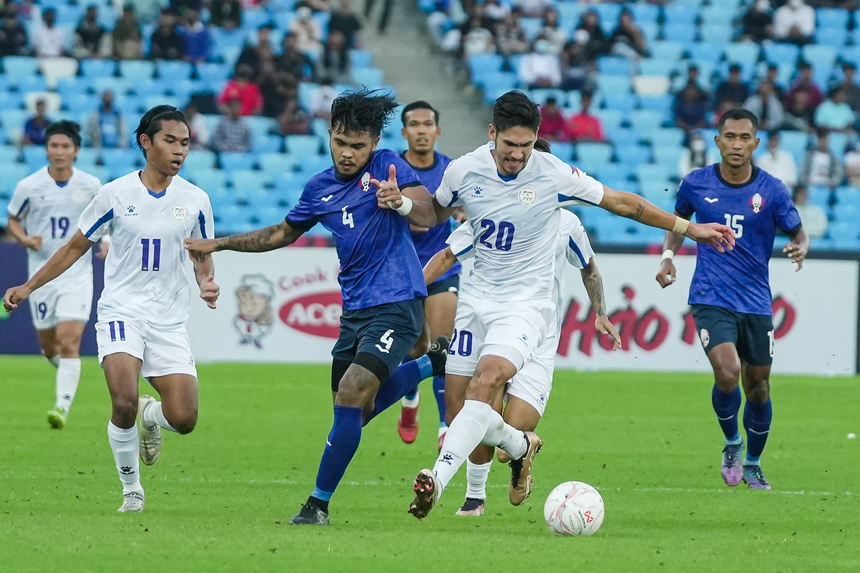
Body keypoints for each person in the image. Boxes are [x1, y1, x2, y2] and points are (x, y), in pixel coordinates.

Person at [407, 91, 735, 520]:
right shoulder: (463, 170)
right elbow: (434, 214)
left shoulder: (552, 175)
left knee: (485, 384)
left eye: (526, 145)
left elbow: (622, 203)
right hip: (475, 304)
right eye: (510, 145)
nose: (518, 154)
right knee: (462, 412)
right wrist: (404, 209)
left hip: (526, 307)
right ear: (492, 134)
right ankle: (520, 448)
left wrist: (689, 229)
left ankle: (440, 484)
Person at [184, 89, 449, 526]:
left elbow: (431, 215)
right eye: (340, 143)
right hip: (355, 310)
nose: (347, 153)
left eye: (357, 146)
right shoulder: (320, 188)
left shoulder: (387, 166)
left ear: (373, 143)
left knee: (351, 393)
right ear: (329, 135)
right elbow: (281, 234)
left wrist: (400, 201)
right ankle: (429, 365)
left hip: (398, 301)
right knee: (355, 412)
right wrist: (220, 243)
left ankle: (317, 505)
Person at [4, 106, 220, 513]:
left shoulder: (196, 199)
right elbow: (74, 247)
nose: (179, 150)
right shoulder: (115, 194)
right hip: (121, 311)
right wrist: (29, 286)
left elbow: (202, 254)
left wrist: (206, 282)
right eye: (170, 141)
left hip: (169, 319)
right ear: (146, 142)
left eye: (185, 143)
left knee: (185, 419)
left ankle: (151, 417)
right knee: (122, 401)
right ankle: (131, 491)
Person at [423, 146, 621, 515]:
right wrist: (411, 292)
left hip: (538, 335)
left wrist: (600, 312)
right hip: (496, 325)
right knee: (475, 405)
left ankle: (519, 448)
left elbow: (588, 266)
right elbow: (448, 255)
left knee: (503, 437)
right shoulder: (493, 212)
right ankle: (475, 496)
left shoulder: (567, 224)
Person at [656, 108, 809, 491]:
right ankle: (732, 443)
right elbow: (677, 224)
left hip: (755, 301)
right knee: (727, 372)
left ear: (755, 143)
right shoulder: (696, 183)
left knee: (758, 385)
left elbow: (799, 232)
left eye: (744, 138)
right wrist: (668, 256)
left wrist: (801, 247)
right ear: (718, 141)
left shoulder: (773, 190)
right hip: (710, 296)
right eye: (730, 136)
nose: (737, 144)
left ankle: (753, 463)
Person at [5, 122, 104, 429]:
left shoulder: (91, 185)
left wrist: (107, 241)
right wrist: (24, 238)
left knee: (69, 341)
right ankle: (69, 373)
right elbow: (12, 219)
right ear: (46, 149)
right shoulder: (29, 186)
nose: (59, 152)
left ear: (76, 150)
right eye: (54, 146)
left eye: (65, 146)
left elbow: (107, 220)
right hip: (40, 277)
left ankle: (62, 406)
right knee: (50, 348)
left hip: (77, 274)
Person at [395, 101, 458, 450]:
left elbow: (465, 204)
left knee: (441, 346)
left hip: (443, 266)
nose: (422, 130)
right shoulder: (392, 168)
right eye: (415, 124)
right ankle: (410, 399)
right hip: (403, 270)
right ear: (405, 132)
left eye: (428, 123)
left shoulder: (452, 170)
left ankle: (445, 425)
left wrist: (463, 215)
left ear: (438, 130)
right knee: (416, 347)